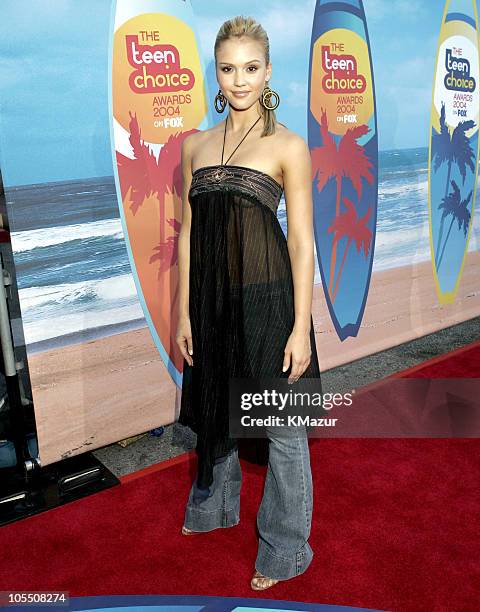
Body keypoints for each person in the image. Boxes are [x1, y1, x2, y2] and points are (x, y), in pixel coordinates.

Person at [176, 15, 322, 590]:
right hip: (211, 303)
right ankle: (215, 509)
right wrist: (185, 310)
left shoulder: (287, 145)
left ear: (267, 72)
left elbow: (303, 242)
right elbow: (189, 234)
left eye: (251, 68)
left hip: (270, 303)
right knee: (217, 410)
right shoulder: (194, 146)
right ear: (216, 72)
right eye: (229, 68)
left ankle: (286, 549)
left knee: (282, 430)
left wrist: (301, 325)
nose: (240, 80)